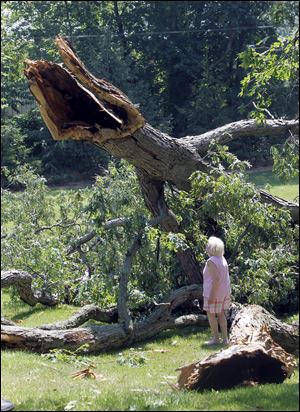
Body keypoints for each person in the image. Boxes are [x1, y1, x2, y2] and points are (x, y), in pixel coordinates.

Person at [203, 236, 231, 346]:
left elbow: (216, 279)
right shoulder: (222, 259)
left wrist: (211, 295)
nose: (206, 248)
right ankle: (225, 339)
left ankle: (215, 339)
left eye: (208, 246)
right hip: (223, 292)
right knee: (221, 314)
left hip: (213, 293)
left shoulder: (211, 261)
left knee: (211, 315)